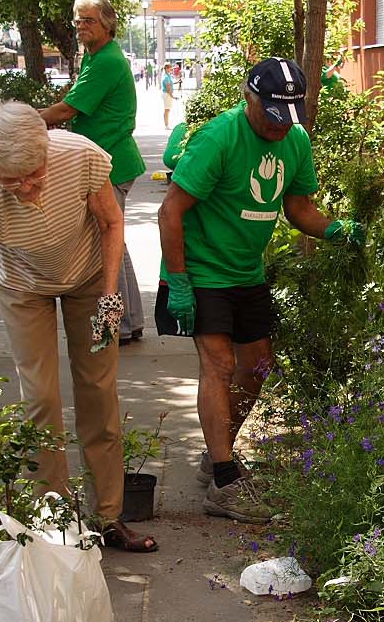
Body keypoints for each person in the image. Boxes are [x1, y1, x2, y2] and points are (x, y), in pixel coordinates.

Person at [0, 101, 158, 553]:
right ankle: (55, 521)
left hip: (88, 276)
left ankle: (108, 516)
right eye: (11, 179)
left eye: (34, 173)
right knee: (40, 399)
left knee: (98, 391)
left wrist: (110, 295)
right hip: (23, 285)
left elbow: (112, 222)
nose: (28, 188)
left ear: (45, 152)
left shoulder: (80, 155)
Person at [155, 58, 364, 524]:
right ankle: (225, 482)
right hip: (202, 271)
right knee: (219, 364)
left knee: (257, 366)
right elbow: (170, 212)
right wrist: (180, 282)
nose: (278, 127)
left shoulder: (295, 140)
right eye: (270, 115)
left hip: (247, 271)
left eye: (286, 117)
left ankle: (216, 454)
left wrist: (339, 230)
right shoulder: (218, 138)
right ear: (249, 99)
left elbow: (299, 210)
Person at [39, 0, 146, 346]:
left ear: (108, 24)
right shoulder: (96, 56)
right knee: (114, 241)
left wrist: (26, 122)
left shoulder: (106, 61)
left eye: (89, 20)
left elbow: (70, 108)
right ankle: (129, 322)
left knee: (109, 241)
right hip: (107, 161)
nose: (81, 26)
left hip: (109, 164)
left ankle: (124, 324)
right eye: (78, 20)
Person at [160, 63, 175, 128]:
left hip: (166, 94)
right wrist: (172, 96)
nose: (171, 69)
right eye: (169, 68)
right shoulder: (166, 77)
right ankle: (166, 125)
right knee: (167, 110)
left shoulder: (167, 75)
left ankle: (166, 124)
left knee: (167, 110)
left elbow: (169, 84)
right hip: (167, 94)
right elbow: (168, 88)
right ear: (166, 69)